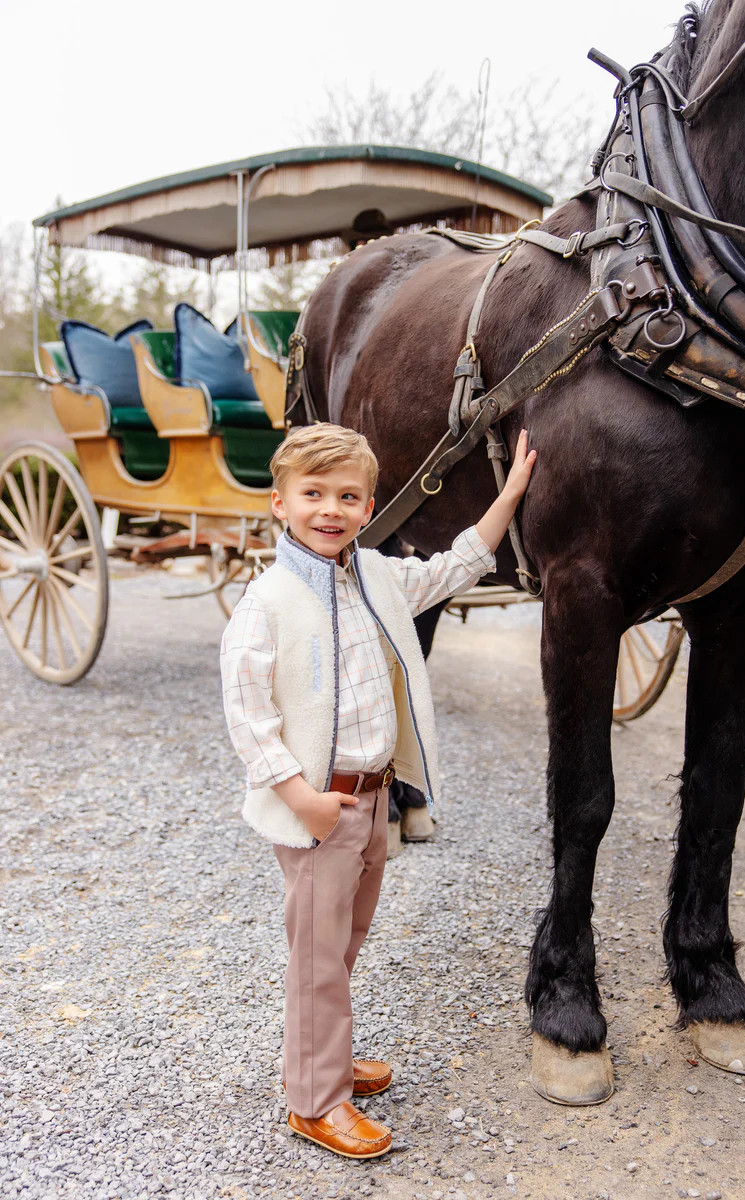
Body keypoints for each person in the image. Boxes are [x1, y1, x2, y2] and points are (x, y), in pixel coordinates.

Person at [220, 422, 536, 1159]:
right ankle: (314, 1099)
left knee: (343, 944)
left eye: (348, 497)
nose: (330, 509)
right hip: (319, 809)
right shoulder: (266, 604)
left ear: (368, 508)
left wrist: (512, 493)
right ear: (280, 505)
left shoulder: (381, 579)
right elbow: (250, 717)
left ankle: (322, 1057)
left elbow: (460, 563)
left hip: (372, 801)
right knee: (317, 956)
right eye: (313, 495)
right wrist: (300, 798)